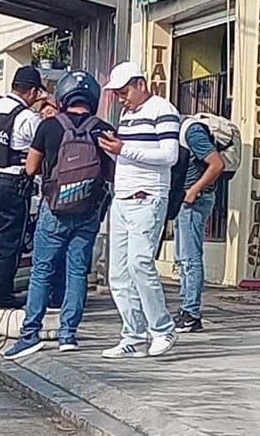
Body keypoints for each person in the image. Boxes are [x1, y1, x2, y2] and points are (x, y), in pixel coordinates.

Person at [4, 70, 114, 359]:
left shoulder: (49, 127)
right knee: (77, 271)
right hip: (88, 211)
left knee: (42, 272)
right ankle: (68, 335)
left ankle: (30, 335)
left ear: (63, 96)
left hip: (54, 209)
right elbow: (110, 171)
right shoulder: (103, 128)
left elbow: (31, 168)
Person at [97, 61, 180, 358]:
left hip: (147, 196)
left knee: (139, 264)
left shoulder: (163, 110)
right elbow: (127, 154)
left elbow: (169, 156)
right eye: (118, 94)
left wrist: (123, 150)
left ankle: (162, 329)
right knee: (118, 273)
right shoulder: (126, 115)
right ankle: (132, 334)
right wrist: (113, 150)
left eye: (125, 91)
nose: (122, 98)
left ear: (141, 84)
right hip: (122, 197)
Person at [0, 66, 44, 321]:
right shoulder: (28, 118)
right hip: (12, 184)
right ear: (33, 91)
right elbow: (39, 149)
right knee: (8, 246)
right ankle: (1, 299)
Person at [174, 120, 225, 333]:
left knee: (190, 258)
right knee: (183, 257)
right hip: (185, 200)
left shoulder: (191, 131)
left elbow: (217, 164)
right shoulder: (182, 130)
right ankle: (186, 309)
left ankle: (191, 313)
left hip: (194, 201)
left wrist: (194, 190)